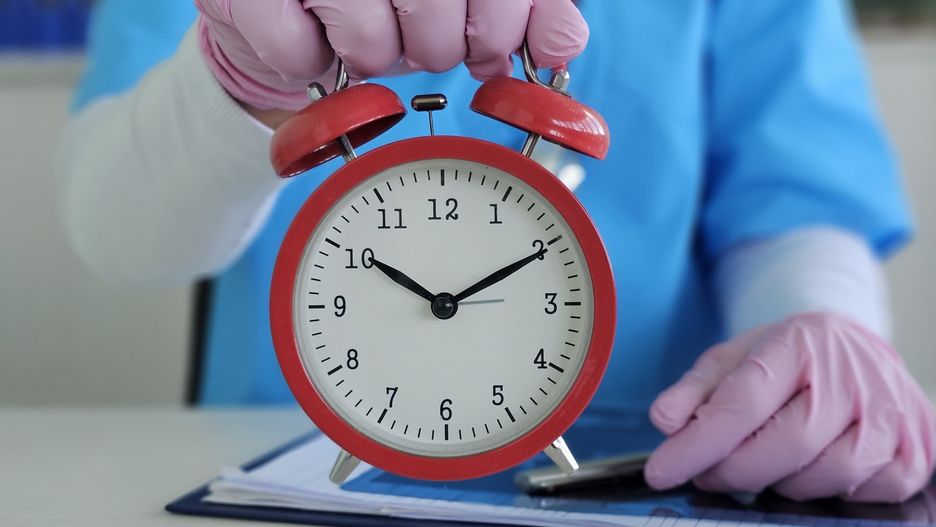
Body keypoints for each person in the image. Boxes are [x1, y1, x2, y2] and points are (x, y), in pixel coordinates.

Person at [58, 0, 935, 503]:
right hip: (287, 458)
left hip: (642, 450)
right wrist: (234, 86)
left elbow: (792, 197)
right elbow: (117, 235)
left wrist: (822, 324)